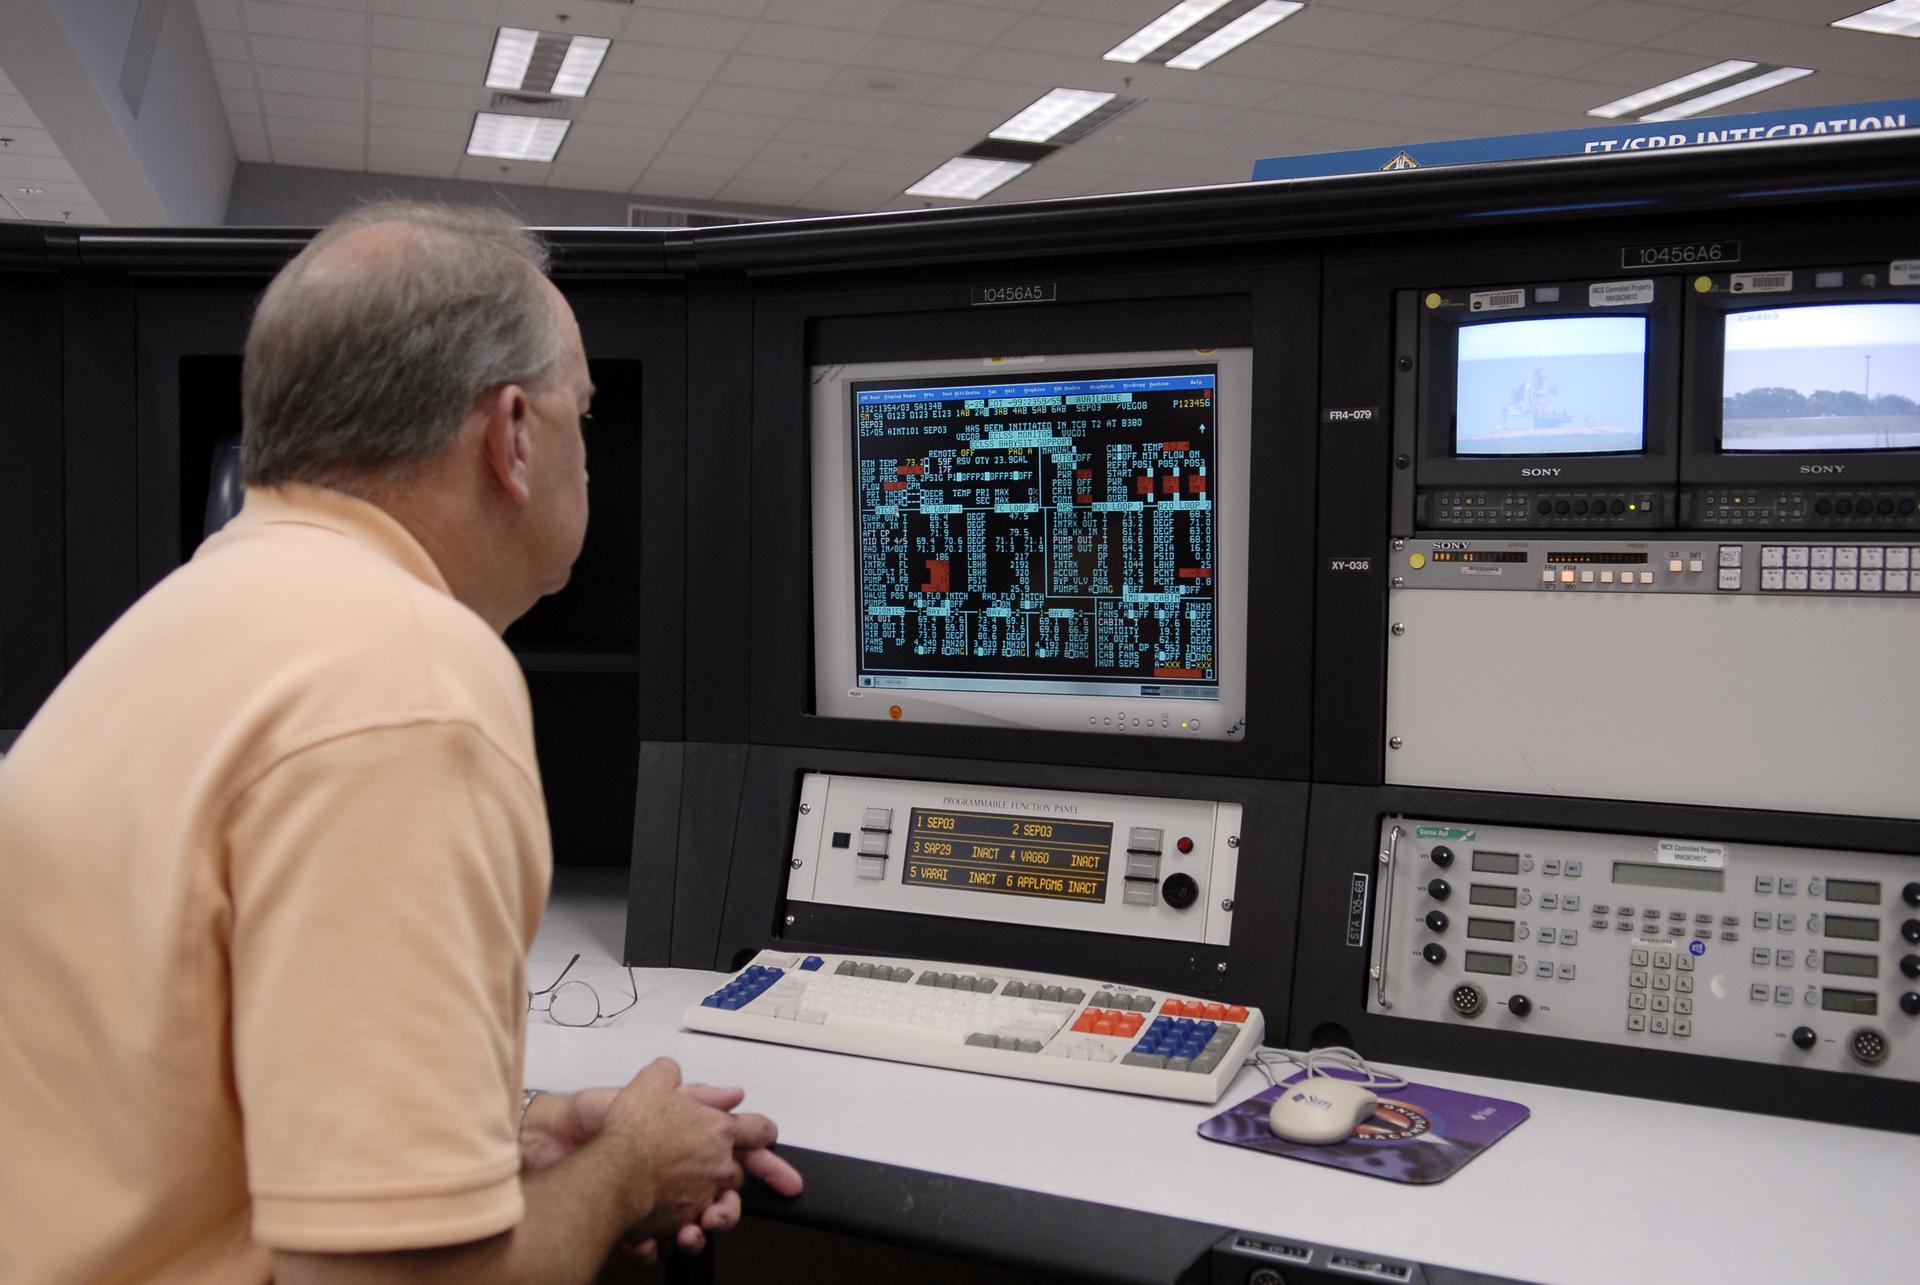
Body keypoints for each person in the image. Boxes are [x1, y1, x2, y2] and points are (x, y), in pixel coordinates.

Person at [0, 202, 799, 1284]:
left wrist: (510, 1130)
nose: (589, 457)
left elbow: (193, 1085)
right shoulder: (408, 680)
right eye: (580, 414)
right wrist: (628, 1170)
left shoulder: (191, 616)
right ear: (511, 435)